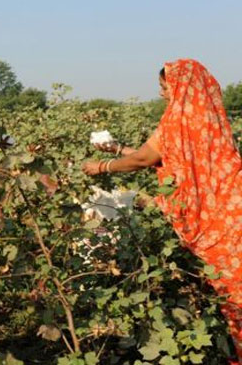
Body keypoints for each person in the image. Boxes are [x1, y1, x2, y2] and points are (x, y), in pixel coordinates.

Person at [82, 59, 242, 360]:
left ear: (180, 87)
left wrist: (101, 167)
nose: (161, 94)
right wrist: (118, 150)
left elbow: (144, 160)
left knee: (237, 298)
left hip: (221, 225)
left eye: (164, 87)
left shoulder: (176, 120)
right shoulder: (210, 117)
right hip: (235, 207)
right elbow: (164, 157)